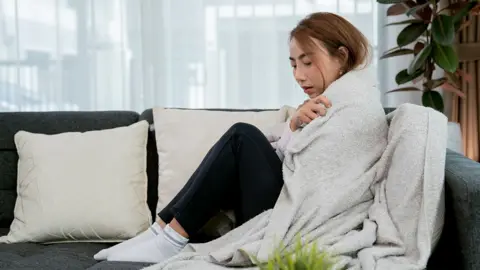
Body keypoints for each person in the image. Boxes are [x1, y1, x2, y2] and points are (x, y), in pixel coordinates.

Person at [94, 11, 371, 263]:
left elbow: (315, 180)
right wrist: (293, 126)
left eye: (308, 62)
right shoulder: (328, 100)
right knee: (241, 139)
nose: (299, 75)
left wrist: (293, 129)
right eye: (293, 65)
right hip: (281, 204)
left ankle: (168, 239)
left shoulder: (351, 104)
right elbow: (294, 157)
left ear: (342, 56)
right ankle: (159, 232)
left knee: (242, 136)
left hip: (292, 217)